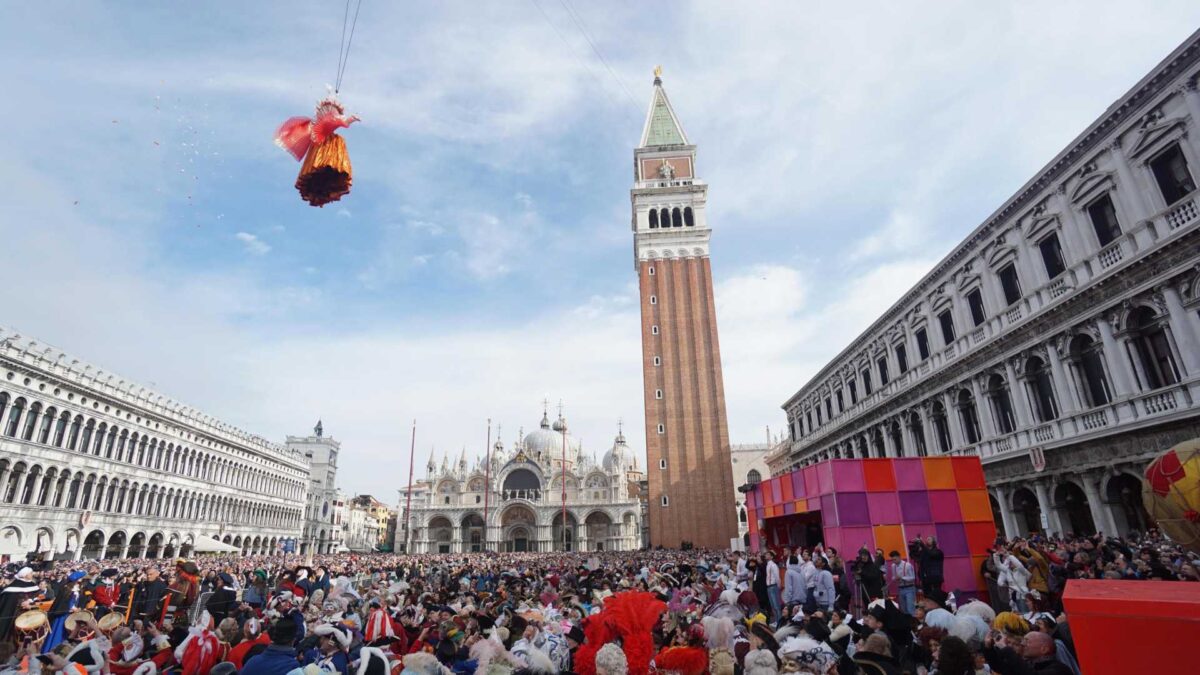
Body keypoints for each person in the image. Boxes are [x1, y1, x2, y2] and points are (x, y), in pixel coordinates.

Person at [887, 551, 916, 615]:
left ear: (899, 557)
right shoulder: (893, 566)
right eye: (892, 560)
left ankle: (914, 623)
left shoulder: (907, 565)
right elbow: (893, 577)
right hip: (900, 589)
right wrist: (895, 578)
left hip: (909, 588)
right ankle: (906, 624)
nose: (894, 561)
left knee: (910, 608)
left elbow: (913, 578)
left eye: (895, 559)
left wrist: (902, 577)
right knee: (903, 609)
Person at [764, 551, 782, 624]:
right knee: (773, 606)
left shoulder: (773, 565)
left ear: (771, 557)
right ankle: (777, 621)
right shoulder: (767, 565)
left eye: (768, 554)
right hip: (769, 587)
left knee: (776, 606)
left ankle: (780, 621)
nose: (766, 555)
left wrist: (778, 585)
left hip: (773, 586)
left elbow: (777, 577)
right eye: (766, 554)